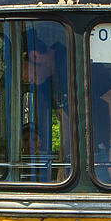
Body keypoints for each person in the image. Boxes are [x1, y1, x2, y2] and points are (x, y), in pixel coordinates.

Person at [22, 29, 70, 182]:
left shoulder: (69, 61)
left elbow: (68, 119)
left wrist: (64, 162)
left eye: (27, 77)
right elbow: (64, 118)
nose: (28, 81)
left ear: (33, 56)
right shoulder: (44, 83)